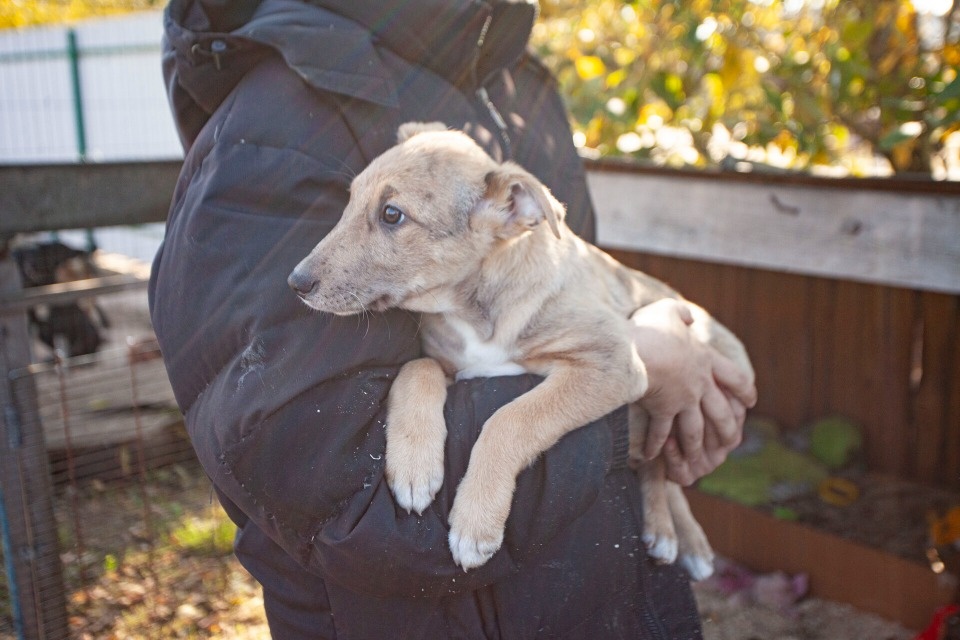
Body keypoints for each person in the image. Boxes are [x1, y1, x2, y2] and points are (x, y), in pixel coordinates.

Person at [149, 0, 758, 638]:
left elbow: (577, 287)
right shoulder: (275, 128)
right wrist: (640, 390)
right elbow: (345, 501)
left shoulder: (518, 84)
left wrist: (658, 417)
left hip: (604, 600)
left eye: (388, 217)